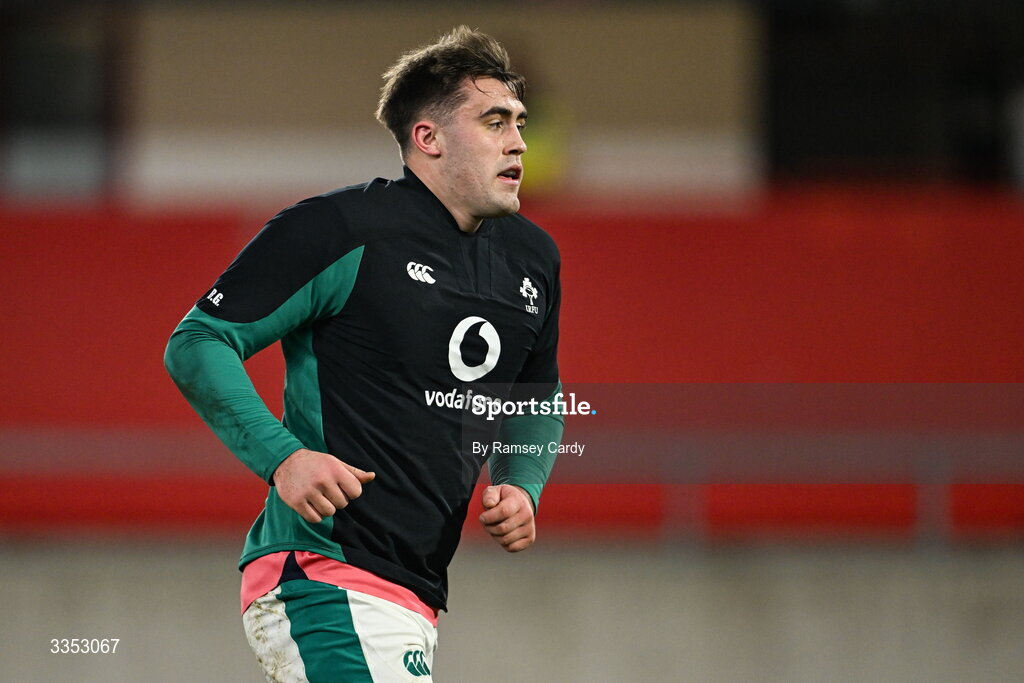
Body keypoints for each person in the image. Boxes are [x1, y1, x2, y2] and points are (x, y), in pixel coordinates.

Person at [164, 26, 563, 682]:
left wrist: (522, 482)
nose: (518, 140)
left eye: (520, 121)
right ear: (427, 138)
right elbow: (198, 341)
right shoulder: (340, 228)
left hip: (413, 598)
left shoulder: (533, 259)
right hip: (323, 575)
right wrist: (283, 458)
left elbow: (535, 394)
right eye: (494, 122)